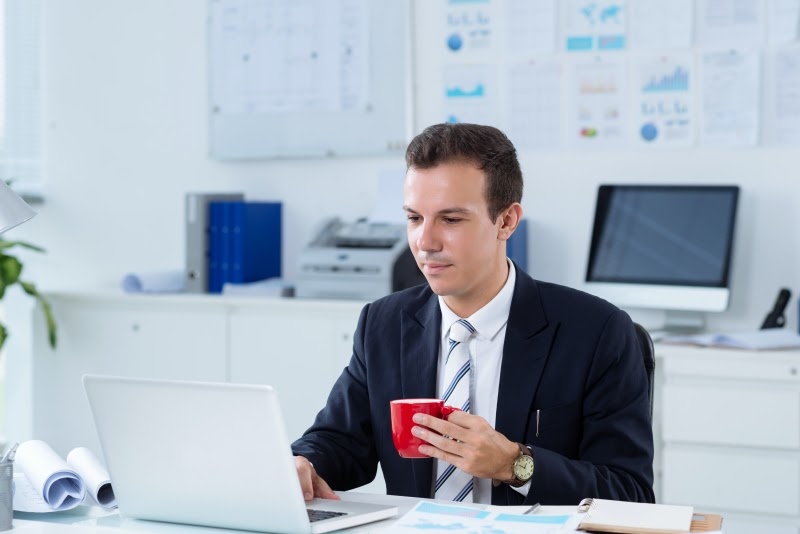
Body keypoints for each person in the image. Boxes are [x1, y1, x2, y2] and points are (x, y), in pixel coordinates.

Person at [291, 123, 654, 506]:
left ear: (507, 221)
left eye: (450, 220)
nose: (425, 243)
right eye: (414, 218)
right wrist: (304, 462)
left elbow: (629, 492)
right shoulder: (384, 323)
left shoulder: (595, 331)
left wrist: (515, 463)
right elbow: (340, 442)